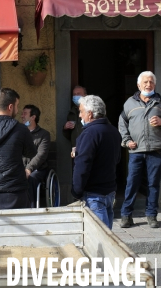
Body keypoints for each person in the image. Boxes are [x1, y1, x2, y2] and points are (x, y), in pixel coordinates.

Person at [118, 71, 161, 229]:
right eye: (145, 82)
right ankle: (126, 215)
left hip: (155, 149)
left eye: (151, 81)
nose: (148, 84)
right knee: (132, 183)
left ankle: (151, 215)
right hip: (136, 150)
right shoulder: (129, 103)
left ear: (155, 84)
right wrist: (127, 141)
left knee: (153, 184)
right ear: (139, 85)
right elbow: (122, 123)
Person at [71, 95, 121, 229]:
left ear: (90, 114)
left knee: (100, 240)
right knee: (107, 235)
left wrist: (76, 191)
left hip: (94, 194)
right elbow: (117, 159)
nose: (80, 116)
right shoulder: (113, 131)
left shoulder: (89, 133)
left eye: (81, 111)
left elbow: (82, 165)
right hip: (109, 191)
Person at [21, 104, 50, 207]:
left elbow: (41, 155)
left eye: (25, 113)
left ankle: (31, 209)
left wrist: (29, 169)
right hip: (21, 167)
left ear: (33, 117)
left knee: (31, 178)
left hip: (37, 169)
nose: (22, 116)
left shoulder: (44, 135)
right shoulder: (19, 133)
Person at [63, 85, 87, 159]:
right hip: (77, 151)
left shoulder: (91, 111)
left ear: (85, 96)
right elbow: (69, 136)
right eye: (74, 94)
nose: (76, 96)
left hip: (89, 148)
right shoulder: (71, 113)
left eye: (78, 94)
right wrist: (65, 128)